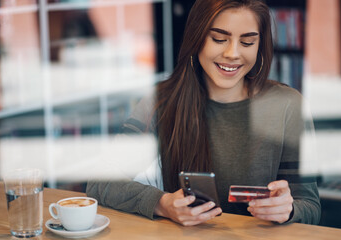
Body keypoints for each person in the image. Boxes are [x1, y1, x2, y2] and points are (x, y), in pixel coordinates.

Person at [86, 0, 321, 226]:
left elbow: (310, 206)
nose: (233, 53)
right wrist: (162, 203)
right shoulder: (162, 101)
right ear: (196, 38)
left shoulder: (288, 105)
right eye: (219, 39)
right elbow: (101, 182)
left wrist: (288, 210)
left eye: (247, 42)